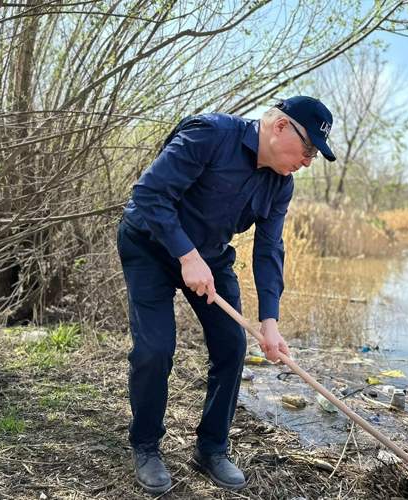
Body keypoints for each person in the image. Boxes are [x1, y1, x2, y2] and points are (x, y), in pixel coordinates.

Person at [116, 96, 336, 494]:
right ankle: (146, 446)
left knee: (233, 346)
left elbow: (269, 250)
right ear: (281, 127)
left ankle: (211, 449)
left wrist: (270, 324)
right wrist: (185, 254)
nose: (306, 162)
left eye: (313, 157)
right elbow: (149, 194)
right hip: (148, 244)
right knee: (155, 348)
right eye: (307, 150)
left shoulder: (280, 185)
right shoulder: (210, 134)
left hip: (211, 258)